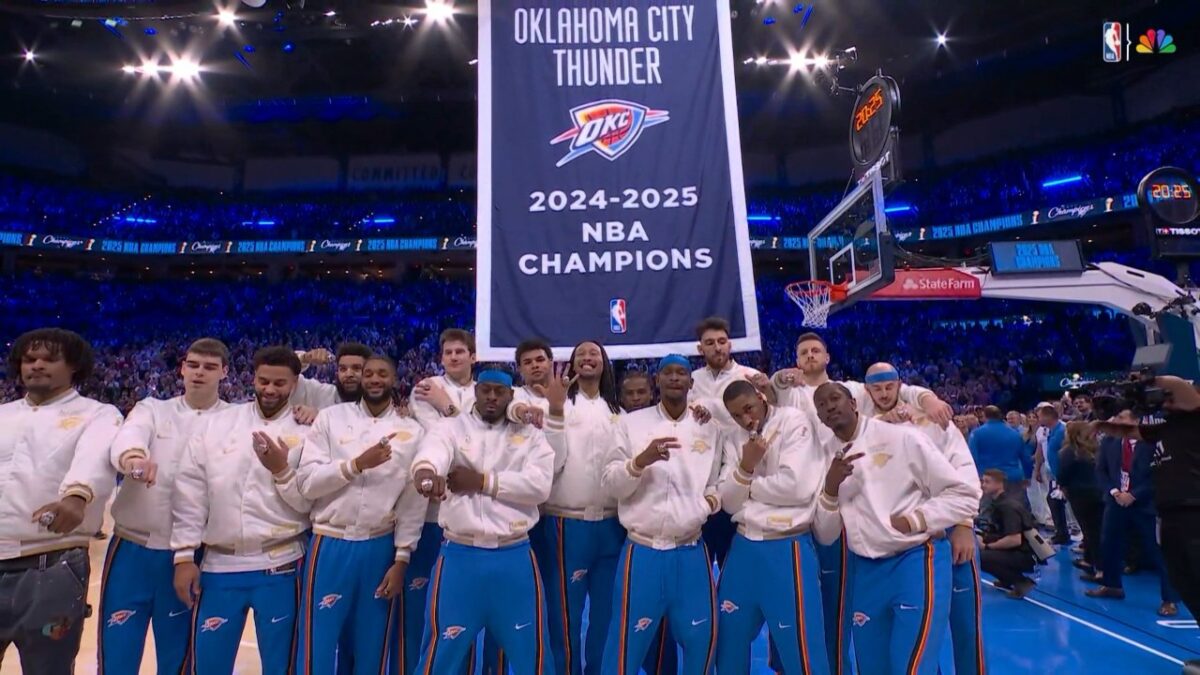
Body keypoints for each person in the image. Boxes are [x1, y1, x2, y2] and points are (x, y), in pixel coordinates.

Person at [771, 332, 950, 675]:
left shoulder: (853, 389)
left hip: (863, 505)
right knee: (831, 610)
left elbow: (895, 387)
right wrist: (780, 378)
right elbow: (771, 391)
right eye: (803, 352)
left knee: (897, 620)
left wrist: (926, 398)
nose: (810, 356)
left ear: (827, 356)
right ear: (796, 360)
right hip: (819, 506)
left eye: (815, 351)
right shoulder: (791, 394)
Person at [812, 382, 980, 675]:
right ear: (820, 417)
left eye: (835, 398)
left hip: (915, 560)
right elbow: (826, 535)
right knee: (874, 667)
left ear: (854, 402)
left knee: (912, 667)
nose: (830, 407)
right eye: (822, 405)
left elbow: (963, 495)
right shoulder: (824, 456)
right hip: (864, 570)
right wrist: (829, 488)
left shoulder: (901, 438)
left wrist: (918, 519)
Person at [170, 346, 313, 675]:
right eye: (264, 381)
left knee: (281, 667)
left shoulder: (308, 431)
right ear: (253, 379)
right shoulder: (218, 424)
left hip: (282, 562)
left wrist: (281, 470)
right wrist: (183, 556)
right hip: (219, 564)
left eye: (280, 383)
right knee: (208, 665)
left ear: (294, 384)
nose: (270, 389)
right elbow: (190, 493)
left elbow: (309, 503)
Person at [410, 369, 555, 674]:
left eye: (499, 392)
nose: (491, 397)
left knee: (532, 652)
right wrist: (425, 472)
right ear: (475, 391)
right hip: (461, 555)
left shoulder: (530, 434)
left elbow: (539, 487)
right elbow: (432, 452)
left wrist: (482, 481)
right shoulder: (450, 427)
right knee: (442, 651)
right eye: (485, 390)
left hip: (513, 555)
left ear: (511, 395)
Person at [101, 338, 232, 674]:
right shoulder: (152, 409)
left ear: (225, 372)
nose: (199, 372)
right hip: (133, 547)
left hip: (192, 552)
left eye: (209, 367)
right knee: (117, 650)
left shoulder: (236, 419)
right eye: (193, 365)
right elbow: (129, 436)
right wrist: (134, 458)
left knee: (180, 655)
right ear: (182, 368)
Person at [295, 355, 430, 674]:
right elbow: (307, 483)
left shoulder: (410, 431)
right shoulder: (330, 418)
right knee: (318, 642)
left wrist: (402, 558)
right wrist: (356, 465)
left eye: (382, 373)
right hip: (330, 542)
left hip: (379, 545)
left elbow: (412, 502)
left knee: (373, 643)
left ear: (394, 379)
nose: (373, 379)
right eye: (368, 373)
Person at [0, 328, 123, 675]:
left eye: (49, 359)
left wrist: (77, 495)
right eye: (29, 359)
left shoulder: (98, 413)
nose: (36, 365)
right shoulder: (3, 413)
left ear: (73, 366)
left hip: (51, 562)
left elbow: (95, 456)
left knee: (48, 669)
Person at [600, 354, 723, 675]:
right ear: (657, 380)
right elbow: (611, 482)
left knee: (701, 641)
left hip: (691, 551)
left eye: (681, 372)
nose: (674, 378)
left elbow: (717, 480)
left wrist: (708, 503)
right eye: (667, 372)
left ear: (690, 382)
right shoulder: (631, 424)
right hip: (643, 550)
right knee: (625, 643)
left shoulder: (708, 428)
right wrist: (639, 462)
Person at [864, 364, 985, 675]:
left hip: (947, 525)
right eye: (877, 388)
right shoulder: (867, 427)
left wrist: (963, 525)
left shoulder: (935, 422)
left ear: (899, 386)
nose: (884, 393)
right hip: (903, 538)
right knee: (917, 631)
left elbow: (964, 470)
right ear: (867, 391)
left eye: (889, 386)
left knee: (965, 624)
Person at [715, 380, 830, 675]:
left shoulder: (794, 421)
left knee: (801, 650)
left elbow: (797, 488)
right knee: (727, 641)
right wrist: (745, 467)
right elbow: (728, 502)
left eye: (748, 409)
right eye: (736, 415)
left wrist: (745, 480)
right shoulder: (732, 437)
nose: (746, 419)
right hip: (742, 547)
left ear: (761, 396)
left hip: (787, 546)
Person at [689, 317, 774, 571]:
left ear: (730, 345)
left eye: (722, 341)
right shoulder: (691, 380)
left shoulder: (751, 377)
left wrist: (771, 388)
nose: (717, 347)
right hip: (703, 476)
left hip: (740, 473)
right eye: (710, 343)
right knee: (700, 562)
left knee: (734, 563)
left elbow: (773, 413)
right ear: (700, 348)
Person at [1089, 410, 1180, 616]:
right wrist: (1114, 492)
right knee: (1109, 544)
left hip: (1145, 504)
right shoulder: (1110, 442)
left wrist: (1134, 495)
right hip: (1115, 502)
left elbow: (1160, 473)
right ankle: (1112, 585)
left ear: (1135, 421)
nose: (1115, 421)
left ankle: (1170, 599)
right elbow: (1101, 470)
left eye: (1121, 418)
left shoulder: (1152, 442)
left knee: (1158, 551)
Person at [1055, 422, 1104, 582]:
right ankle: (1089, 561)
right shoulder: (1095, 449)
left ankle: (1101, 570)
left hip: (1080, 494)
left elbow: (1063, 474)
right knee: (1092, 530)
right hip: (1098, 492)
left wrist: (1062, 486)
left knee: (1091, 532)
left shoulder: (1069, 452)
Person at [977, 470, 1037, 598]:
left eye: (987, 482)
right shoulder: (998, 503)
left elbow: (1014, 539)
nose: (983, 485)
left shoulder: (1007, 507)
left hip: (1024, 555)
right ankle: (1006, 579)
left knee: (980, 556)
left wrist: (987, 546)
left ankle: (1021, 582)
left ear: (999, 484)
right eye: (983, 481)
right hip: (1018, 550)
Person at [969, 406, 1032, 507]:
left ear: (985, 416)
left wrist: (975, 478)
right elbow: (1025, 458)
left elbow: (972, 458)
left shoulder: (976, 434)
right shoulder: (1015, 434)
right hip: (1012, 477)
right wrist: (1028, 476)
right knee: (1014, 511)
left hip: (988, 480)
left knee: (988, 512)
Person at [291, 343, 374, 410]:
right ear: (337, 374)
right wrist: (304, 358)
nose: (348, 374)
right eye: (343, 369)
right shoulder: (322, 394)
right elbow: (285, 378)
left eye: (356, 368)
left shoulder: (381, 405)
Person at [1035, 404, 1071, 545]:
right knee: (1053, 501)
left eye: (1039, 416)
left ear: (1048, 416)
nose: (1038, 419)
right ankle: (1061, 533)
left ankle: (1080, 538)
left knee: (1071, 507)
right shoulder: (1050, 431)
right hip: (1054, 475)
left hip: (1065, 476)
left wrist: (1063, 478)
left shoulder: (1063, 430)